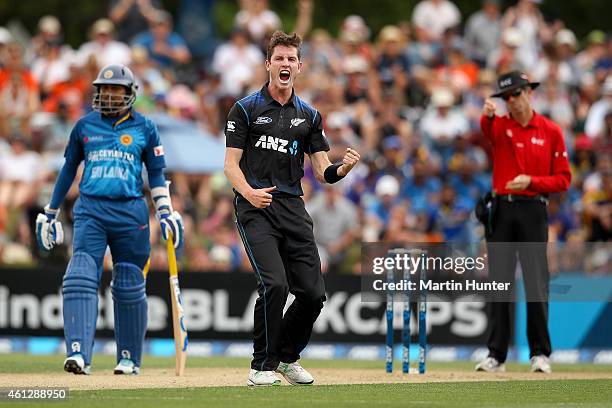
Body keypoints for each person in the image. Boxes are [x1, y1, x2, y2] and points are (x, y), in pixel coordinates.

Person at [223, 30, 360, 386]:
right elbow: (230, 166)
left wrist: (341, 169)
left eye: (291, 59)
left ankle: (286, 357)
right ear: (268, 64)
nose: (285, 64)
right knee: (274, 285)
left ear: (299, 67)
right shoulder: (246, 109)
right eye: (279, 58)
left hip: (292, 208)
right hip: (256, 208)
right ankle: (261, 366)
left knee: (314, 294)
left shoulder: (310, 115)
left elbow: (322, 171)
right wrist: (249, 194)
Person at [35, 64, 184, 375]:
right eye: (105, 89)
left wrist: (166, 211)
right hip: (91, 209)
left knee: (129, 283)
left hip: (131, 212)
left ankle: (128, 358)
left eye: (116, 89)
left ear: (129, 93)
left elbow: (156, 174)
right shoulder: (84, 126)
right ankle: (78, 353)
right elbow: (67, 171)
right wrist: (51, 211)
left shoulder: (145, 127)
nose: (110, 94)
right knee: (79, 275)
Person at [475, 70, 571, 374]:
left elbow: (563, 179)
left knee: (536, 282)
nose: (511, 102)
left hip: (533, 208)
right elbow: (486, 130)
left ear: (529, 91)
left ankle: (540, 353)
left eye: (516, 94)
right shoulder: (500, 126)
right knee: (500, 282)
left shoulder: (550, 130)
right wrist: (487, 115)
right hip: (502, 209)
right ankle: (496, 355)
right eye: (506, 98)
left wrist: (532, 181)